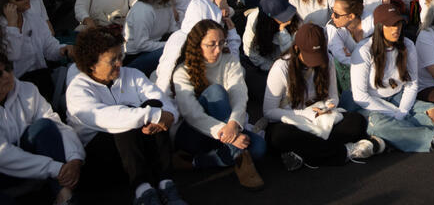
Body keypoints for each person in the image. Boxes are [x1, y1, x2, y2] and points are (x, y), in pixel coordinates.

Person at [65, 28, 184, 205]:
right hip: (101, 161)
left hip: (135, 151)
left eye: (120, 57)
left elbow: (162, 101)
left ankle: (165, 183)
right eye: (112, 60)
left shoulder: (132, 75)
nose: (119, 64)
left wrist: (167, 115)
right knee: (125, 118)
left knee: (153, 106)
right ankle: (142, 191)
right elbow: (107, 117)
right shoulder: (78, 89)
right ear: (91, 65)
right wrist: (154, 115)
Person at [350, 3, 434, 151]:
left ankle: (392, 137)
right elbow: (360, 96)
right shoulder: (363, 51)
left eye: (398, 23)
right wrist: (393, 112)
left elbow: (412, 85)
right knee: (378, 124)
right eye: (391, 25)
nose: (396, 28)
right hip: (371, 103)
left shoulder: (408, 45)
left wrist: (402, 112)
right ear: (379, 26)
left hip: (397, 97)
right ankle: (432, 135)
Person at [263, 22, 378, 170]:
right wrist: (303, 114)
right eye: (310, 57)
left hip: (321, 118)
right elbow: (268, 111)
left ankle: (305, 154)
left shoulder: (327, 60)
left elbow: (333, 97)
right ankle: (344, 152)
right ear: (297, 49)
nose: (314, 63)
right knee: (279, 136)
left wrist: (326, 107)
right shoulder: (281, 68)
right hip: (291, 120)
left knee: (356, 122)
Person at [171, 19, 265, 189]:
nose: (218, 49)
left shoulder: (229, 61)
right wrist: (230, 135)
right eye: (211, 44)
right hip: (194, 133)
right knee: (215, 92)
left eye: (221, 43)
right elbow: (191, 114)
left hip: (227, 129)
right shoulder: (183, 71)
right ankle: (240, 160)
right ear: (197, 44)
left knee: (259, 148)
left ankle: (196, 162)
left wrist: (234, 124)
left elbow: (239, 94)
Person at [0, 52, 84, 205]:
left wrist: (75, 159)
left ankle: (64, 195)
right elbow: (3, 155)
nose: (6, 75)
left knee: (44, 126)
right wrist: (56, 168)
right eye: (0, 73)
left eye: (8, 68)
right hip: (4, 176)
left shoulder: (27, 90)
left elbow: (56, 124)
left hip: (36, 168)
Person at [0, 0, 69, 97]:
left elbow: (49, 48)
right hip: (16, 90)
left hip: (42, 79)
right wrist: (12, 25)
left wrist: (63, 49)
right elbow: (13, 55)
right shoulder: (3, 27)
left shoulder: (33, 18)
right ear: (6, 3)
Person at [123, 0, 179, 75]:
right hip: (135, 57)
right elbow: (141, 44)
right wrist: (169, 44)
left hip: (155, 47)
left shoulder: (166, 5)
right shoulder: (143, 9)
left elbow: (173, 29)